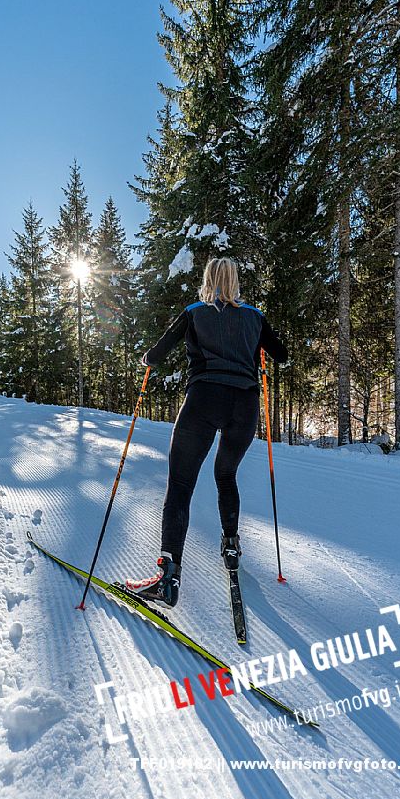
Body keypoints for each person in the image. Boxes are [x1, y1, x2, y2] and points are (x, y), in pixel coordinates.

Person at [125, 257, 287, 607]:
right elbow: (283, 355)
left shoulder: (195, 311)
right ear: (236, 281)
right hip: (243, 408)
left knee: (181, 485)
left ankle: (168, 577)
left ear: (208, 279)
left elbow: (155, 355)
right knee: (226, 474)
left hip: (203, 400)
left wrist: (147, 361)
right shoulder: (255, 317)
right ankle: (231, 544)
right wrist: (257, 343)